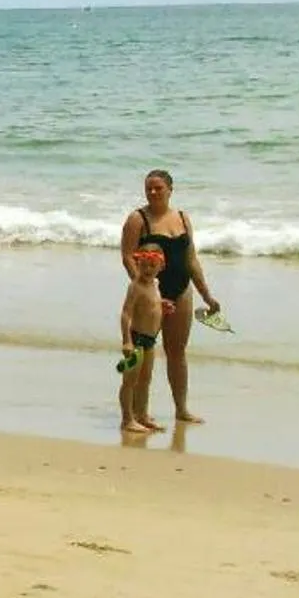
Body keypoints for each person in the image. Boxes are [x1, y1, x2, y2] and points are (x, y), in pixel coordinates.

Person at [120, 169, 222, 425]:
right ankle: (136, 414)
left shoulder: (183, 218)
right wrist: (145, 290)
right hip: (148, 297)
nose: (153, 192)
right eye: (149, 188)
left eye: (158, 188)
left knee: (177, 352)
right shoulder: (137, 219)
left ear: (170, 190)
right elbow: (127, 256)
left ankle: (181, 409)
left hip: (181, 291)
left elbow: (191, 259)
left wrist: (207, 296)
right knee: (143, 360)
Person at [116, 245, 169, 435]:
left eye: (152, 266)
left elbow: (151, 303)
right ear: (137, 264)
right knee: (130, 380)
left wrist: (162, 306)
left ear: (161, 266)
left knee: (145, 380)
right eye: (143, 265)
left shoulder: (154, 284)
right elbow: (126, 314)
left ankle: (142, 415)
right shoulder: (135, 287)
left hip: (150, 340)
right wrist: (126, 341)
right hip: (137, 339)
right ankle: (127, 419)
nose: (147, 270)